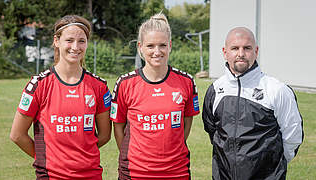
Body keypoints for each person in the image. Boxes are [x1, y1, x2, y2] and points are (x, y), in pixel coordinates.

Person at [10, 15, 112, 179]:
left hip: (90, 175)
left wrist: (81, 155)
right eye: (69, 40)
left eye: (81, 41)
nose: (75, 47)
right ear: (56, 41)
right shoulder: (39, 85)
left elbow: (105, 135)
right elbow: (17, 135)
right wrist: (48, 158)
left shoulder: (99, 87)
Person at [202, 27, 304, 179]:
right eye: (235, 48)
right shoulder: (216, 89)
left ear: (256, 51)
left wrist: (273, 167)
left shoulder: (277, 90)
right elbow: (212, 131)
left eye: (247, 48)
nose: (241, 54)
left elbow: (293, 137)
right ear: (225, 52)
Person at [110, 12, 200, 180]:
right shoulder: (125, 83)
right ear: (140, 47)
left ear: (170, 46)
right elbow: (118, 128)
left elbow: (185, 127)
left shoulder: (186, 82)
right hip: (135, 173)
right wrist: (137, 158)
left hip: (176, 172)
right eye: (150, 46)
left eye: (162, 45)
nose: (157, 51)